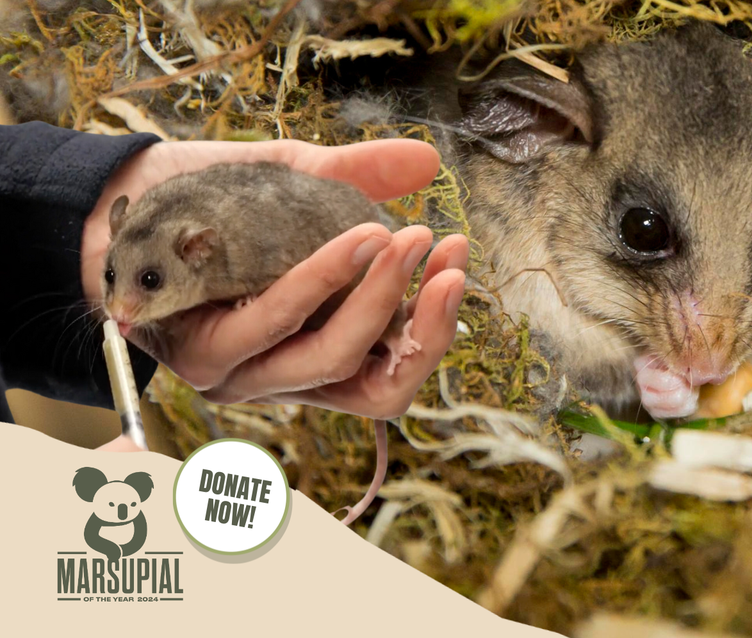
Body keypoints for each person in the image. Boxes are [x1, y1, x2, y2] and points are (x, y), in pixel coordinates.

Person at [0, 122, 468, 451]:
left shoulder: (232, 250)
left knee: (362, 283)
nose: (119, 309)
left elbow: (274, 254)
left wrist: (58, 204)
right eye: (111, 278)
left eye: (149, 282)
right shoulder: (160, 236)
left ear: (197, 251)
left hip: (311, 231)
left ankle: (391, 331)